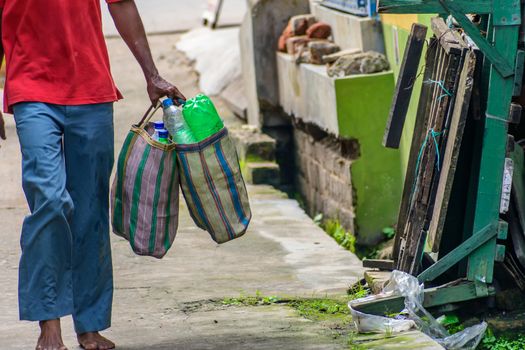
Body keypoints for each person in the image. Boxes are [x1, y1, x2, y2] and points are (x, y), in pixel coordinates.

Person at [0, 1, 186, 349]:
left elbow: (122, 5)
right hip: (32, 89)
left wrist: (152, 74)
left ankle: (89, 325)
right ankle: (49, 322)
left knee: (90, 210)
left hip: (91, 88)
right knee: (50, 202)